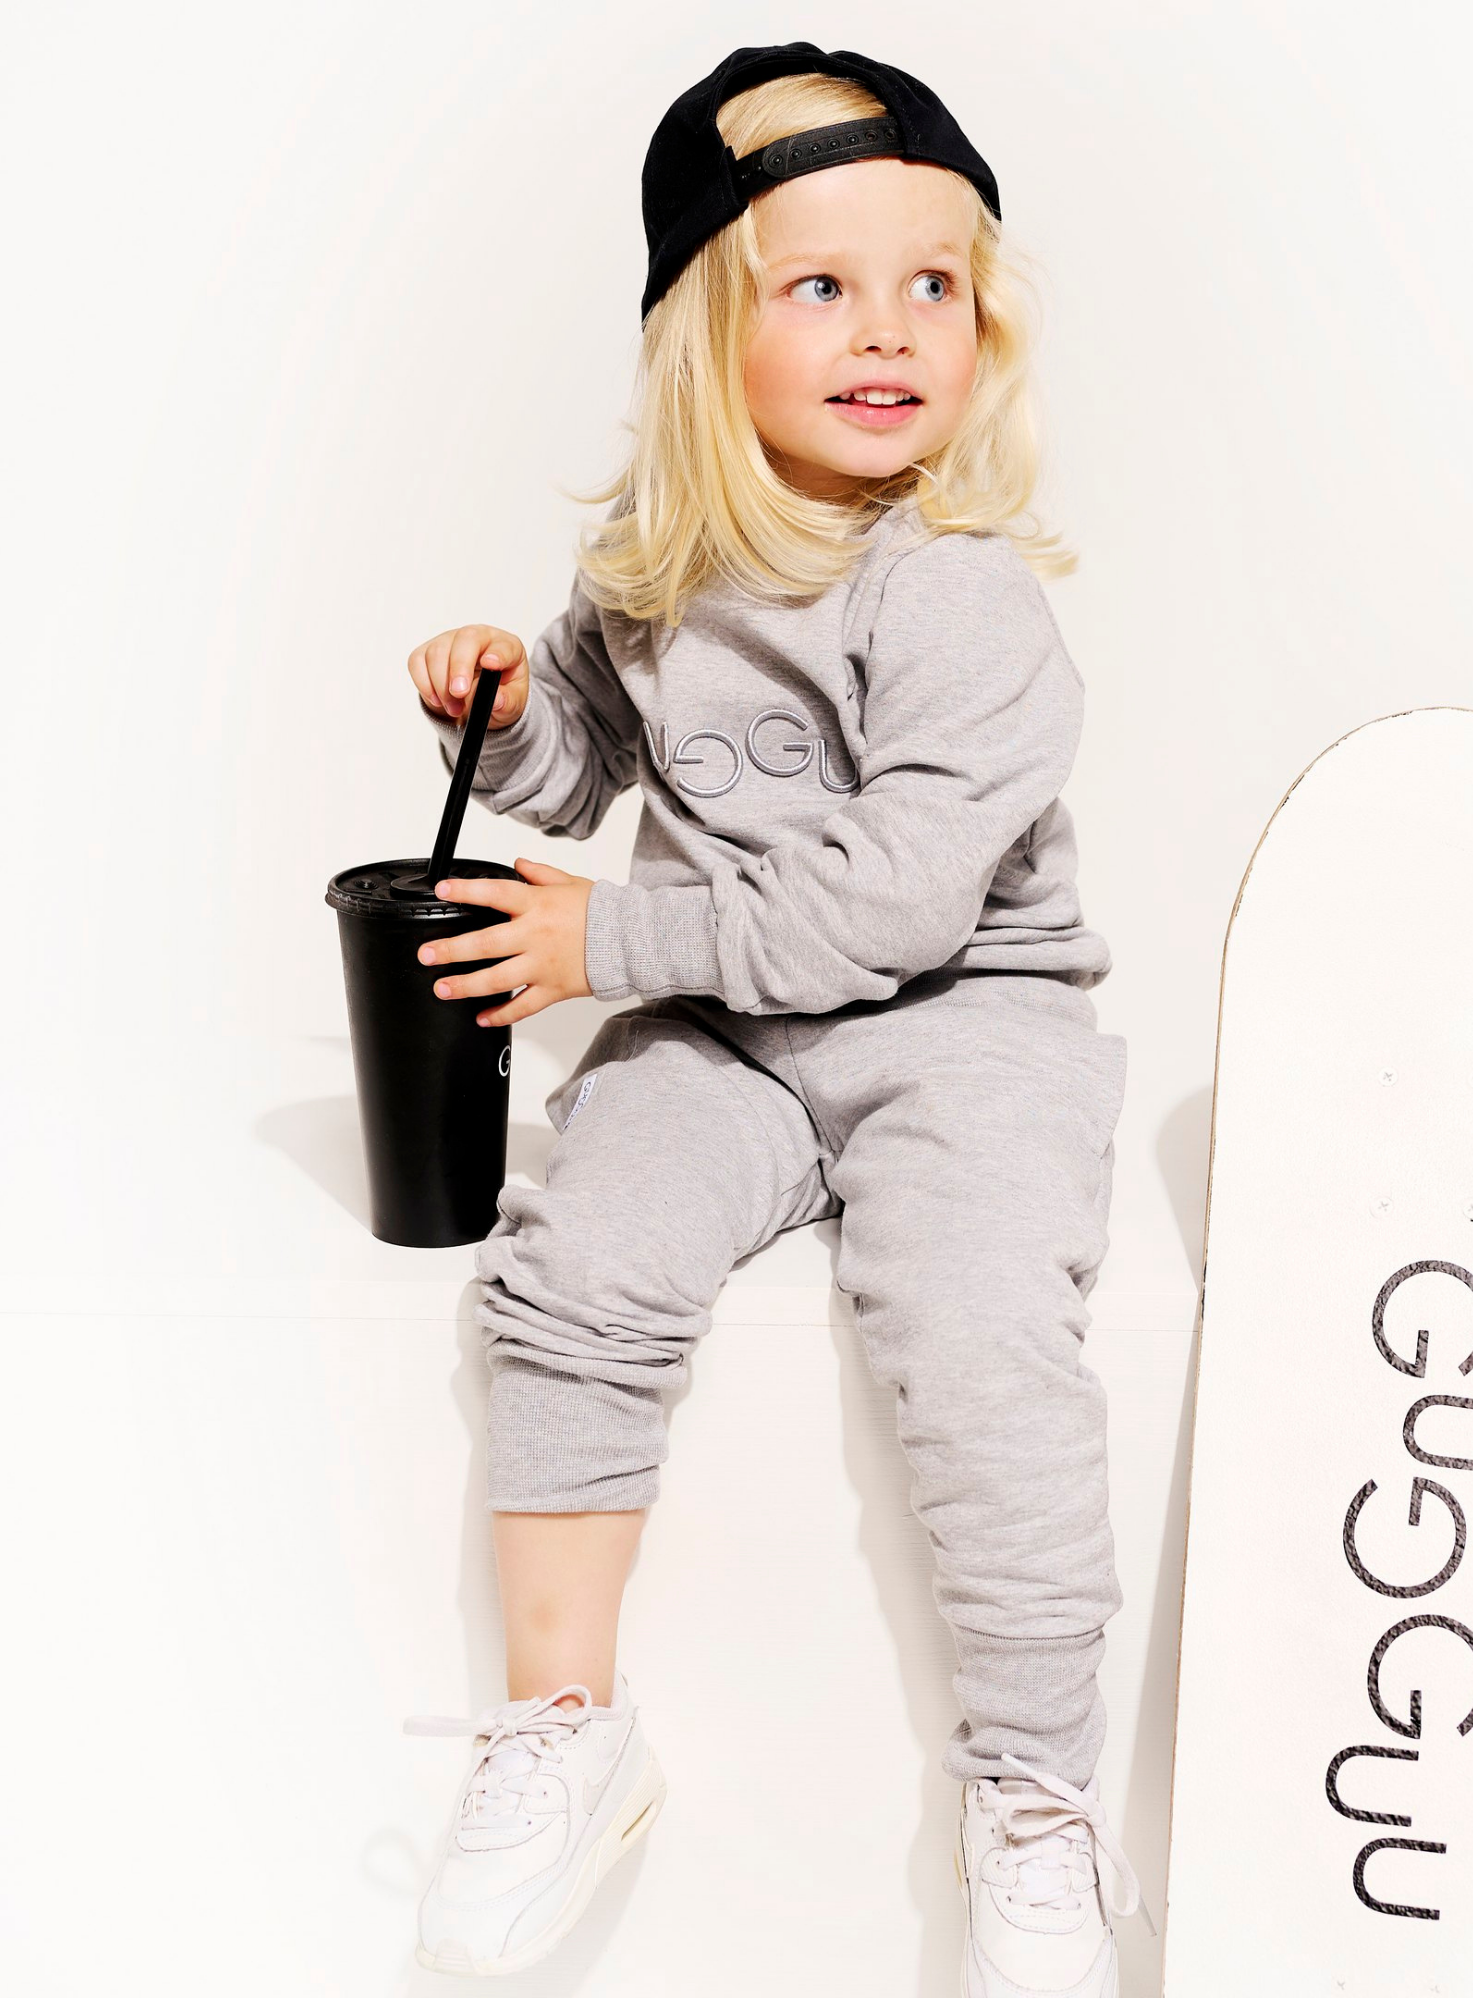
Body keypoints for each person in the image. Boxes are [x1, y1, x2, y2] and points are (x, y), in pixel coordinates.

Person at [396, 43, 1144, 1996]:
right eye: (820, 284)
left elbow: (892, 904)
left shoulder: (957, 596)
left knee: (979, 1333)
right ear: (698, 330)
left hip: (958, 1019)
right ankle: (563, 1726)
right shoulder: (660, 566)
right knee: (576, 1268)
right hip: (730, 1030)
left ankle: (1035, 1798)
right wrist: (506, 721)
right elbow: (584, 776)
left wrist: (609, 943)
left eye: (932, 285)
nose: (889, 329)